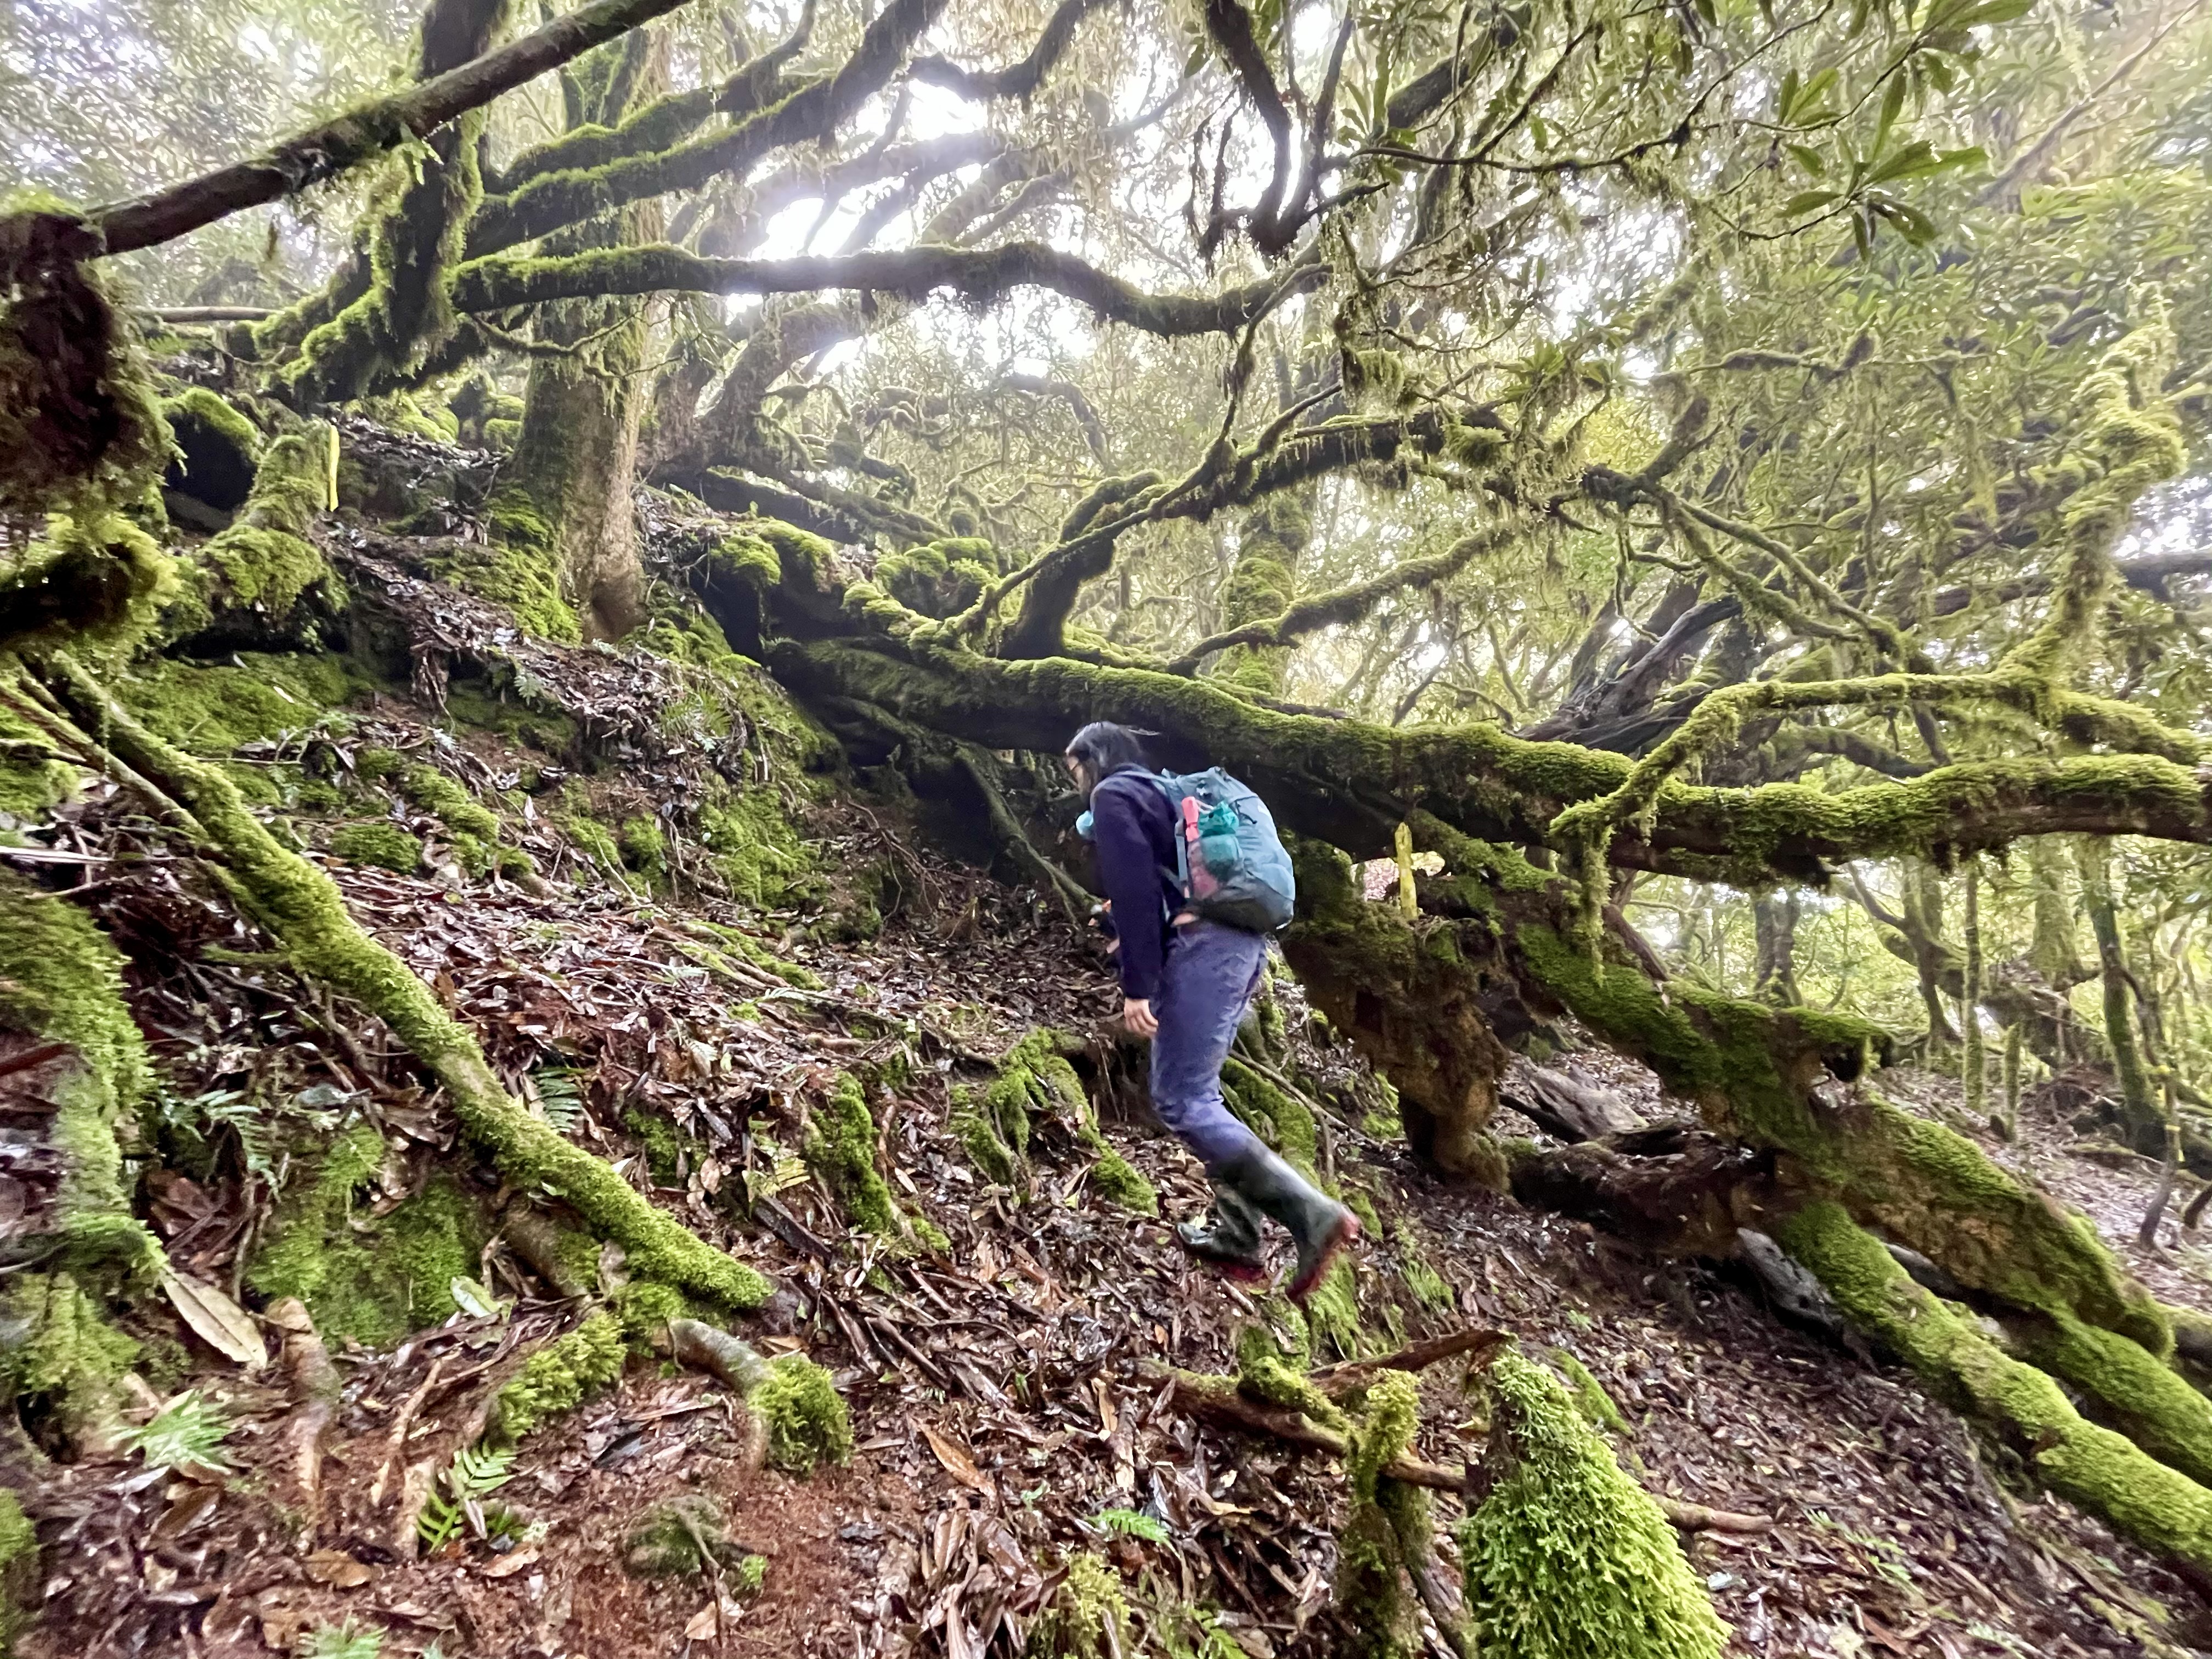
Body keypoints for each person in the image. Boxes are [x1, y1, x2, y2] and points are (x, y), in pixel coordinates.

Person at [1065, 721, 1359, 1303]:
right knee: (1199, 1094)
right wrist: (1120, 925)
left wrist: (1137, 987)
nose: (1072, 780)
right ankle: (1236, 1233)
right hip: (1238, 950)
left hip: (1207, 951)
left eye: (1072, 768)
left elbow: (1137, 892)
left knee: (1183, 1098)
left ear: (1093, 759)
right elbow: (1159, 891)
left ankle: (1314, 1216)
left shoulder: (1114, 795)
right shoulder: (1162, 795)